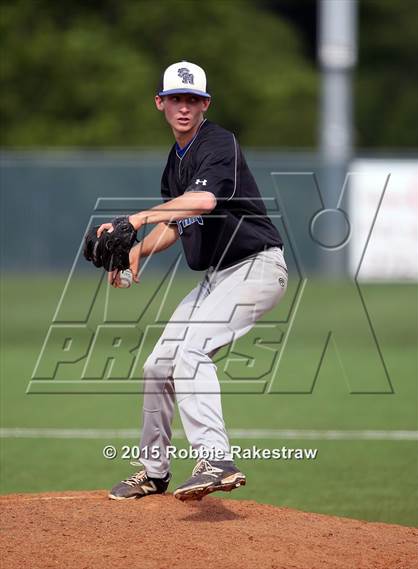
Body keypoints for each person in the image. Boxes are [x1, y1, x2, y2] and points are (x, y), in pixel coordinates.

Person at [99, 61, 288, 501]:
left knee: (192, 352)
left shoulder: (218, 143)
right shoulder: (175, 164)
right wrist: (138, 249)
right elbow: (178, 222)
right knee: (157, 366)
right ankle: (154, 472)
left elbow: (202, 201)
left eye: (193, 100)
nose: (184, 107)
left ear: (205, 104)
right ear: (160, 103)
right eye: (176, 99)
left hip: (256, 266)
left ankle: (216, 459)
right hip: (219, 276)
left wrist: (139, 218)